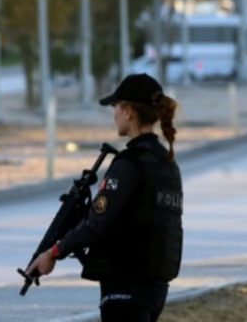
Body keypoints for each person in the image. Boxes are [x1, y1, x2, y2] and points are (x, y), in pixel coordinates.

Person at [26, 73, 183, 322]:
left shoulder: (129, 163)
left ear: (129, 111)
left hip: (125, 287)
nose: (114, 114)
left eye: (116, 107)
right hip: (155, 288)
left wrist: (53, 252)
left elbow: (96, 223)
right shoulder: (167, 163)